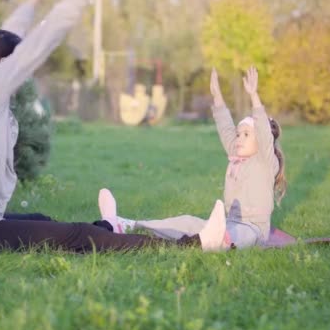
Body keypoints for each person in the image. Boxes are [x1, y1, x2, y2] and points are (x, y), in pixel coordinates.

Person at [0, 0, 218, 253]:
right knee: (76, 235)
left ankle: (108, 227)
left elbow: (8, 37)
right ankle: (189, 245)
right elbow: (43, 39)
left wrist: (32, 3)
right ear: (5, 66)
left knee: (42, 221)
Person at [98, 66, 287, 251]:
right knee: (187, 222)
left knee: (240, 233)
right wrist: (217, 97)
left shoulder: (265, 162)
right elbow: (226, 128)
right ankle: (127, 225)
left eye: (246, 134)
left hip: (253, 229)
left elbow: (262, 131)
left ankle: (219, 240)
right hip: (229, 223)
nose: (238, 139)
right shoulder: (236, 155)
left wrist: (254, 96)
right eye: (239, 134)